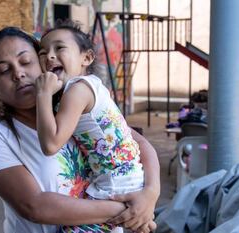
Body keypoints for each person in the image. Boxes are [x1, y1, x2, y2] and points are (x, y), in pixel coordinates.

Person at [0, 26, 160, 233]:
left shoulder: (71, 107)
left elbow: (138, 143)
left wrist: (150, 194)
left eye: (26, 62)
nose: (19, 74)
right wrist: (129, 210)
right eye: (4, 70)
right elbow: (34, 205)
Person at [35, 20, 153, 232]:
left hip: (115, 183)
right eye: (42, 53)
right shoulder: (94, 85)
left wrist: (42, 94)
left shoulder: (77, 91)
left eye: (59, 48)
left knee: (74, 226)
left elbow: (51, 144)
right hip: (128, 175)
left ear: (86, 58)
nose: (49, 56)